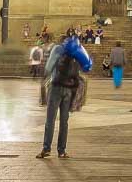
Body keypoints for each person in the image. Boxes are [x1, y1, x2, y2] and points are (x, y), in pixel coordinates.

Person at [37, 30, 92, 160]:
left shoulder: (57, 49)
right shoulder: (76, 52)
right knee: (64, 121)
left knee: (50, 120)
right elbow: (82, 70)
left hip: (56, 87)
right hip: (69, 90)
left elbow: (49, 67)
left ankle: (46, 148)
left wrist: (45, 78)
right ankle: (61, 151)